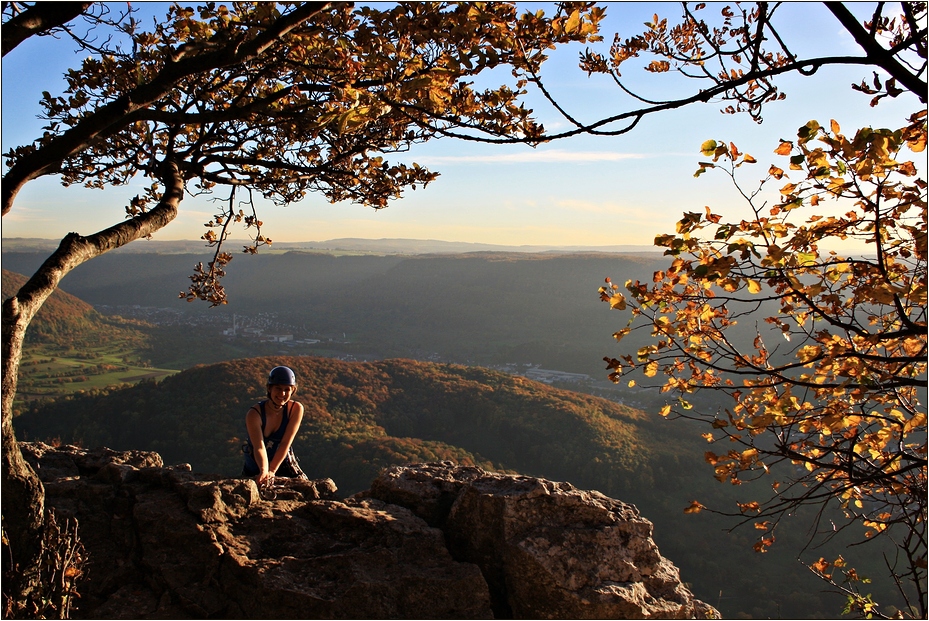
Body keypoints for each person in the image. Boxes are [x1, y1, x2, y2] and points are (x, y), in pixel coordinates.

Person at [242, 365, 306, 484]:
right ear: (269, 389)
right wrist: (264, 471)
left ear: (293, 391)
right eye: (278, 388)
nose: (282, 393)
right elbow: (259, 446)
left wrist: (272, 470)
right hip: (256, 463)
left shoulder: (295, 409)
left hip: (281, 462)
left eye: (287, 389)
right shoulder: (254, 414)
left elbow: (285, 443)